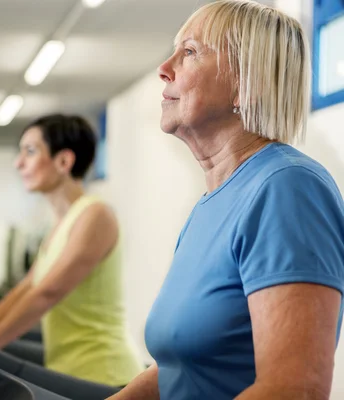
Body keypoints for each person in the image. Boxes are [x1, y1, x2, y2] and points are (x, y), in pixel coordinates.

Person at [110, 1, 344, 399]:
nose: (163, 68)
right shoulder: (210, 204)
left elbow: (294, 390)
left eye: (189, 52)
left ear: (245, 81)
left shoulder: (288, 188)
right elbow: (177, 371)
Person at [0, 113, 143, 387]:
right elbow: (28, 287)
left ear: (63, 161)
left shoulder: (95, 215)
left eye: (30, 151)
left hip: (104, 374)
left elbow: (47, 294)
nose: (19, 163)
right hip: (71, 369)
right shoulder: (62, 221)